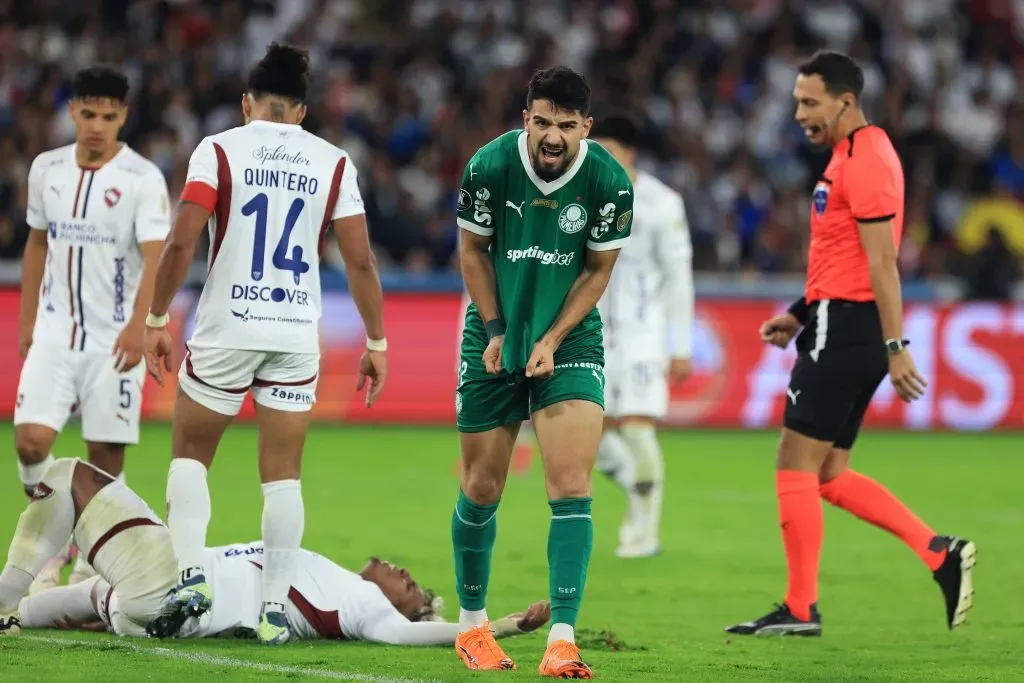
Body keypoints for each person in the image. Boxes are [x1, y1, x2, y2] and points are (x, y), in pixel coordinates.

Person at [141, 44, 387, 645]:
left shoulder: (219, 148)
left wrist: (155, 318)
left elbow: (182, 242)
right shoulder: (333, 163)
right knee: (283, 478)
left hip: (227, 325)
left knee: (190, 457)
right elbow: (358, 259)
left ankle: (193, 577)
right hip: (295, 332)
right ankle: (275, 611)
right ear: (301, 111)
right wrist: (377, 339)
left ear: (246, 103)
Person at [726, 51, 975, 637]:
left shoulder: (865, 159)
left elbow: (881, 261)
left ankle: (801, 607)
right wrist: (798, 312)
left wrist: (897, 343)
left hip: (849, 328)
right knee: (830, 473)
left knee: (794, 462)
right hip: (836, 320)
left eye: (809, 102)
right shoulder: (851, 154)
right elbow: (842, 258)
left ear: (845, 101)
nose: (798, 114)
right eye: (796, 102)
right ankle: (939, 553)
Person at [452, 66, 633, 678]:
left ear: (586, 126)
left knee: (573, 483)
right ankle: (472, 626)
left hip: (571, 336)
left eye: (565, 125)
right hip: (494, 325)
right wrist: (499, 329)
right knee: (481, 486)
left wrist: (553, 337)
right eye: (541, 122)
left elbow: (598, 269)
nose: (551, 136)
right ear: (524, 118)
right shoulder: (489, 166)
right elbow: (472, 251)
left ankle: (561, 638)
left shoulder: (609, 180)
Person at [0, 457, 549, 644]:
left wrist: (495, 627)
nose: (406, 574)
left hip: (165, 591)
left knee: (68, 476)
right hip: (143, 599)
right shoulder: (328, 573)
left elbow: (412, 633)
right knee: (35, 612)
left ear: (399, 606)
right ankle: (14, 605)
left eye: (413, 590)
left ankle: (16, 587)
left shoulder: (361, 605)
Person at [14, 65, 169, 590]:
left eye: (109, 115)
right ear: (72, 112)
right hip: (56, 332)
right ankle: (54, 541)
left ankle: (90, 562)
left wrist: (141, 326)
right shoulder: (46, 169)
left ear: (123, 116)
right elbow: (37, 242)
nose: (98, 125)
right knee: (32, 443)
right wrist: (28, 318)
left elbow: (158, 257)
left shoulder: (142, 178)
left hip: (114, 340)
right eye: (88, 113)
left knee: (103, 456)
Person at [589, 114, 694, 558]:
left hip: (641, 338)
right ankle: (641, 488)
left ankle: (643, 534)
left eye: (607, 150)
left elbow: (679, 276)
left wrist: (681, 344)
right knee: (580, 434)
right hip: (588, 333)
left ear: (629, 152)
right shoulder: (580, 196)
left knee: (635, 427)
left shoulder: (661, 203)